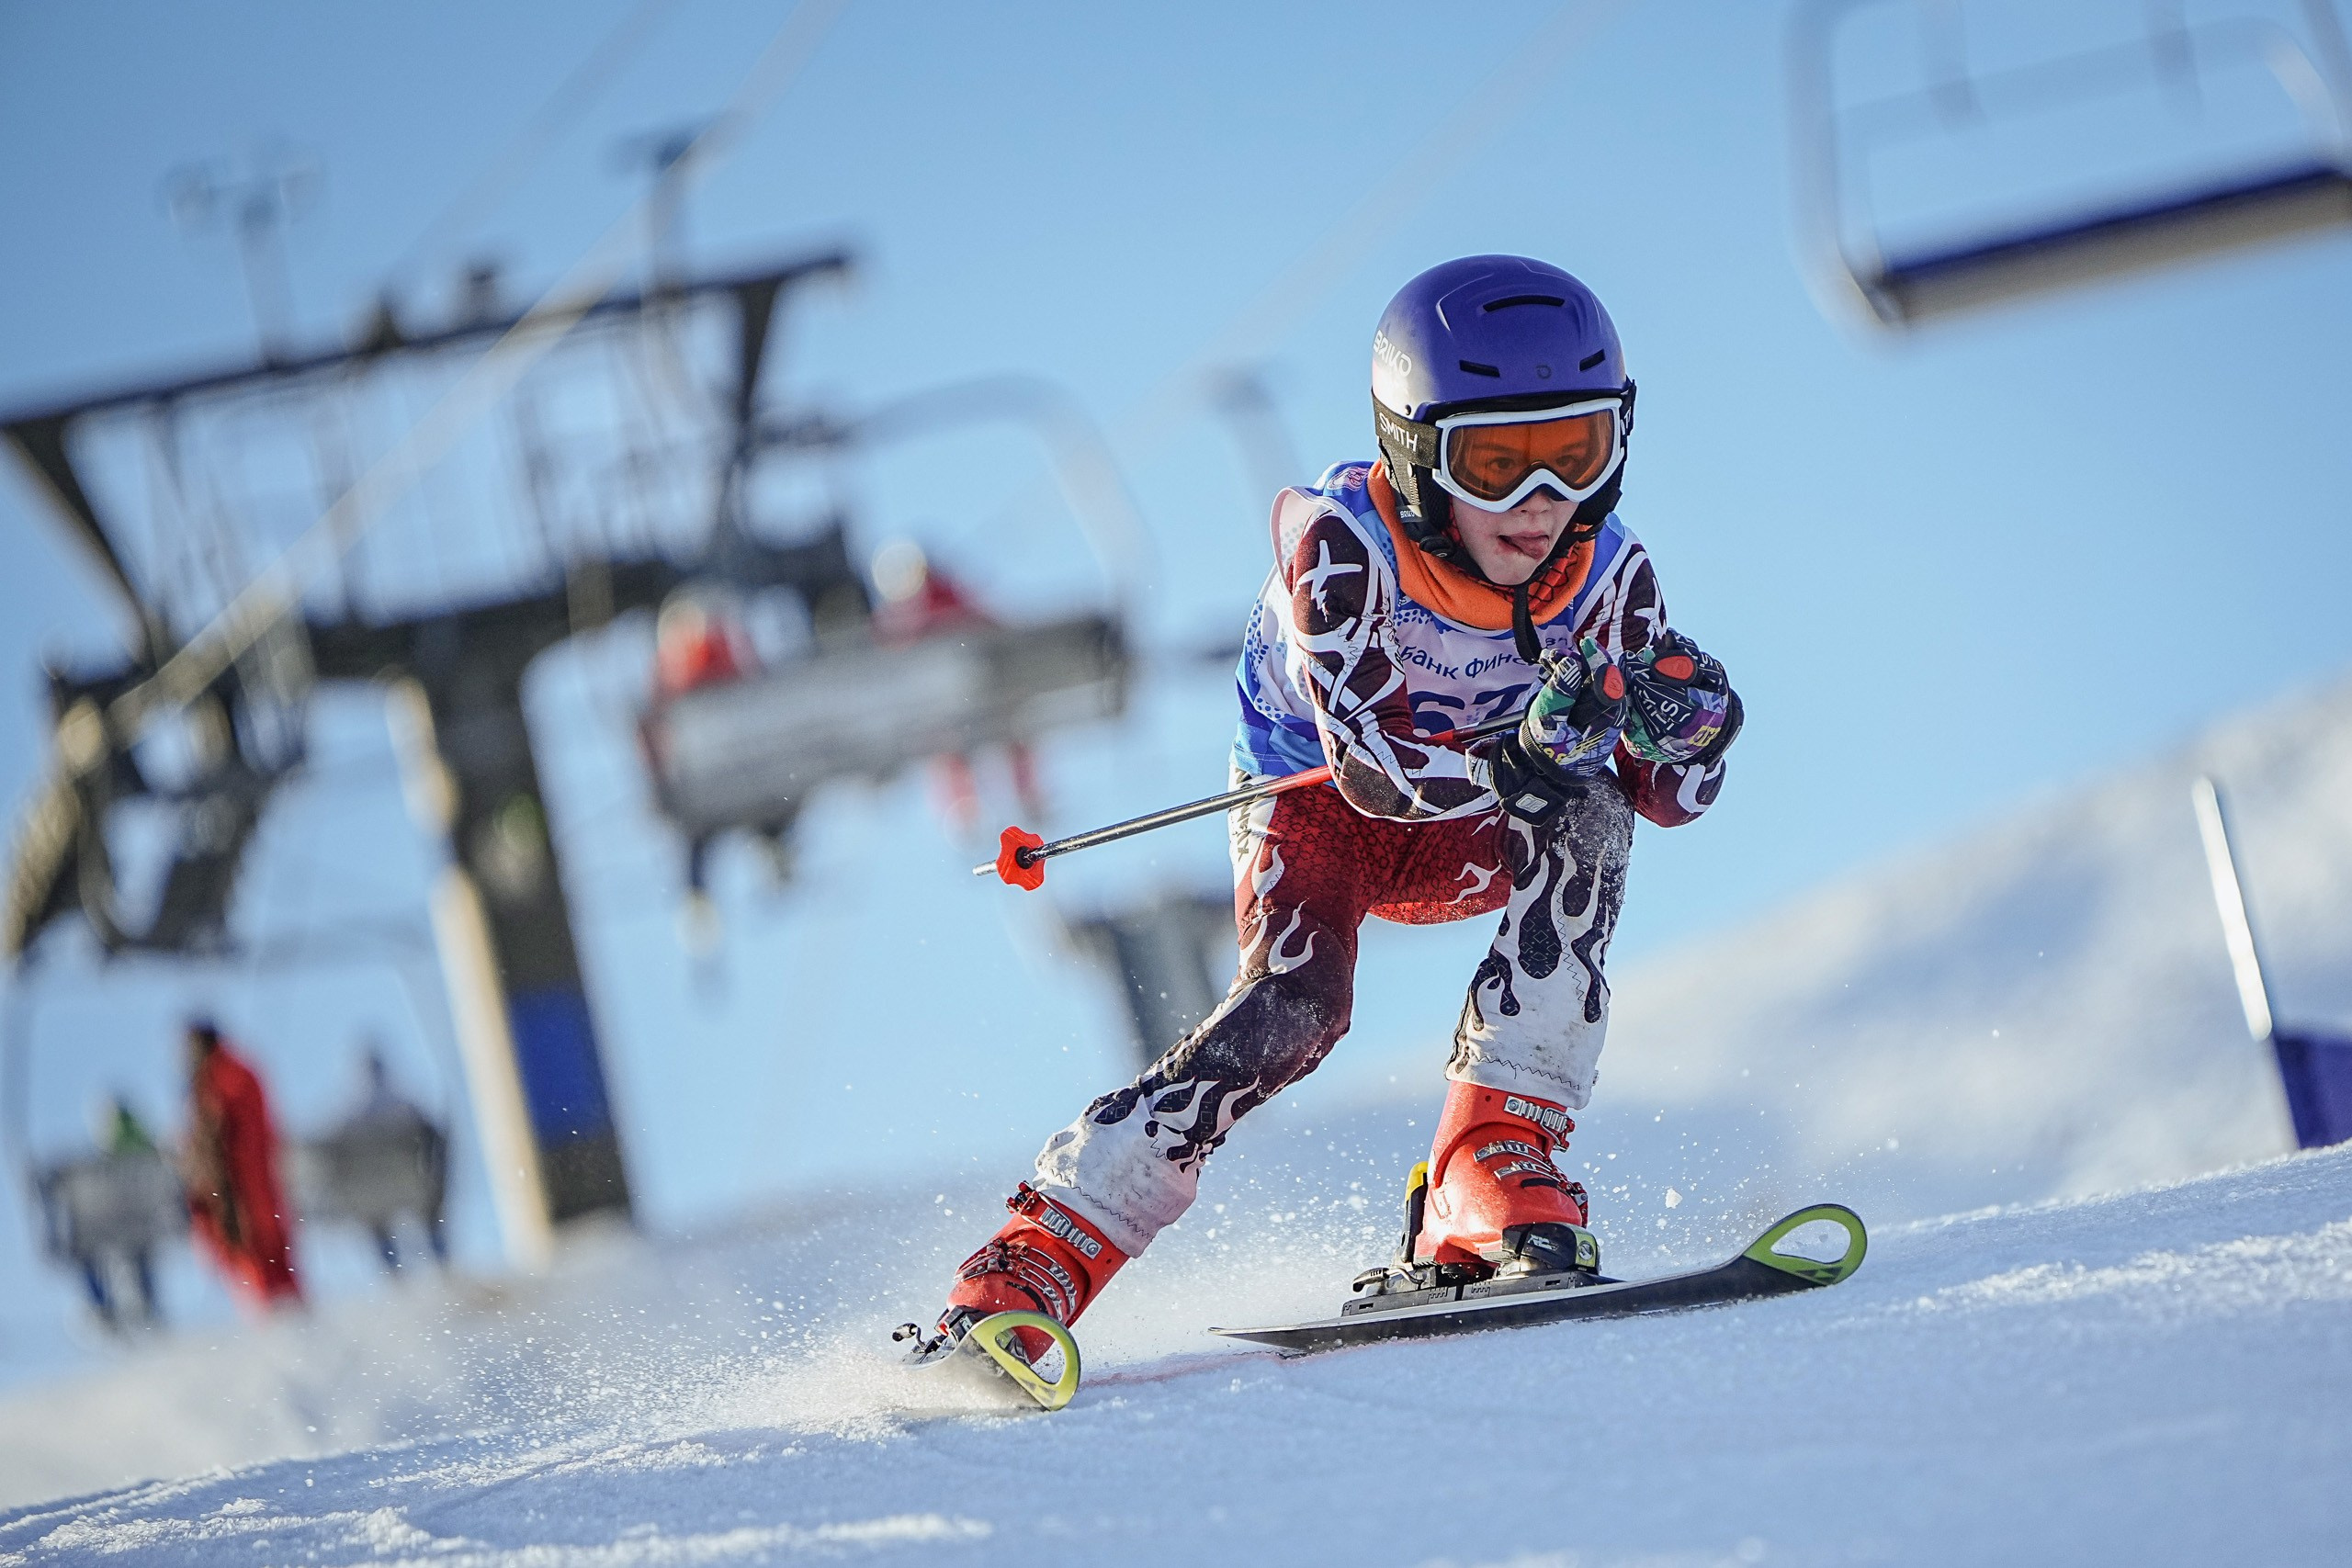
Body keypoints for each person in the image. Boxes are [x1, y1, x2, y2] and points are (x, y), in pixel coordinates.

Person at [922, 256, 1741, 1357]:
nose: (1537, 504)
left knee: (1590, 806)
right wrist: (1530, 749)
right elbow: (1372, 772)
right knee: (1296, 1010)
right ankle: (1041, 1252)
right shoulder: (1343, 549)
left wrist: (1684, 732)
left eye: (1573, 454)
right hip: (1325, 815)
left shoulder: (1612, 576)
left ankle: (1486, 1161)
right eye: (1493, 464)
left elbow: (1667, 798)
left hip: (1474, 827)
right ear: (1414, 450)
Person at [870, 539, 1048, 835]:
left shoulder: (938, 600)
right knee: (954, 744)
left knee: (991, 735)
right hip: (955, 697)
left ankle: (996, 803)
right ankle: (973, 808)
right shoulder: (910, 613)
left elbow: (983, 622)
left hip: (974, 689)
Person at [183, 1018, 303, 1307]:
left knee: (259, 1269)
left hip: (240, 1196)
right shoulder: (241, 1070)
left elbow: (213, 1144)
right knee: (279, 1271)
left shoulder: (217, 1081)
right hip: (262, 1187)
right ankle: (294, 1328)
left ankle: (279, 1331)